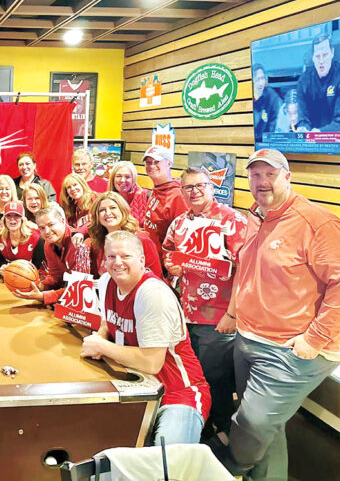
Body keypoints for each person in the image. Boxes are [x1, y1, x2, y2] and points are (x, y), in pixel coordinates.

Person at [215, 149, 340, 480]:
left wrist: (315, 338)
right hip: (249, 339)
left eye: (270, 174)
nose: (262, 182)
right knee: (268, 430)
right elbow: (247, 269)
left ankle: (223, 467)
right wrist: (234, 313)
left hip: (288, 350)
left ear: (287, 177)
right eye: (255, 175)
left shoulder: (316, 223)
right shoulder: (257, 215)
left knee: (254, 421)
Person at [81, 230, 211, 445]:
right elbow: (108, 321)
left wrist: (101, 345)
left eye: (126, 256)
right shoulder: (106, 282)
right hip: (137, 388)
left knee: (167, 461)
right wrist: (100, 336)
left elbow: (151, 362)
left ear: (141, 260)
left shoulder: (151, 294)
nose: (118, 262)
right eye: (111, 256)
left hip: (177, 393)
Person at [161, 167, 247, 438]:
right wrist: (171, 266)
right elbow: (168, 252)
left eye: (201, 185)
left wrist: (233, 314)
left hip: (218, 317)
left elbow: (246, 269)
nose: (195, 191)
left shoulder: (233, 221)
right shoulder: (179, 223)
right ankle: (196, 428)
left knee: (216, 378)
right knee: (194, 378)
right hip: (185, 314)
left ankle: (219, 432)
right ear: (182, 191)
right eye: (188, 187)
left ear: (212, 187)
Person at [11, 205, 86, 305]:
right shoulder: (48, 244)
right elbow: (56, 277)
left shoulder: (78, 244)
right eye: (42, 228)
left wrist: (44, 296)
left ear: (63, 221)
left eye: (51, 225)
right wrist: (40, 286)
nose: (47, 231)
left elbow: (79, 288)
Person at [88, 192, 162, 279]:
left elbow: (155, 276)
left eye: (113, 208)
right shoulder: (98, 244)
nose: (108, 213)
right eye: (102, 210)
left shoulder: (142, 240)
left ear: (123, 210)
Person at [295, 33, 340, 132]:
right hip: (313, 140)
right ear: (312, 57)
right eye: (317, 56)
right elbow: (303, 118)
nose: (321, 61)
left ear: (332, 53)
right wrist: (303, 128)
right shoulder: (303, 82)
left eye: (325, 55)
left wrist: (320, 133)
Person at [142, 145, 188, 257]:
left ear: (169, 164)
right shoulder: (156, 189)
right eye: (148, 162)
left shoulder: (178, 195)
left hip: (164, 263)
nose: (152, 166)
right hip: (151, 256)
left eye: (156, 162)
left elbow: (183, 236)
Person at [0, 201, 45, 269]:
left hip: (30, 276)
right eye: (8, 215)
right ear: (4, 219)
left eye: (16, 215)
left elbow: (37, 267)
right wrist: (3, 267)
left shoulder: (36, 238)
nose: (12, 219)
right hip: (8, 275)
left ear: (22, 219)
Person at [252, 64, 280, 141]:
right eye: (257, 79)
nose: (261, 83)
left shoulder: (273, 97)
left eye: (262, 78)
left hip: (266, 142)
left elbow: (274, 124)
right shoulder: (247, 96)